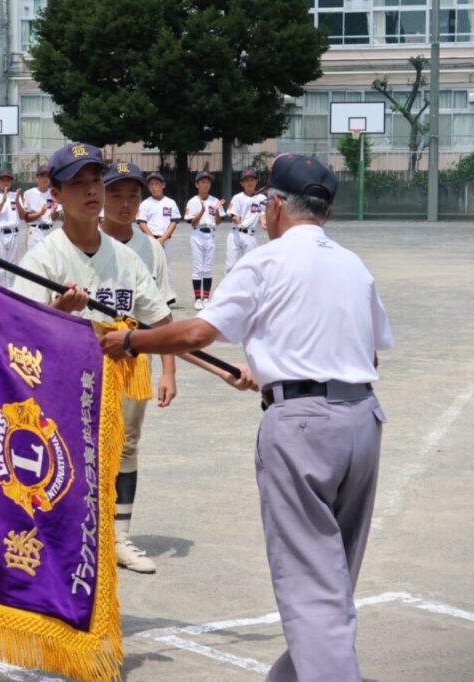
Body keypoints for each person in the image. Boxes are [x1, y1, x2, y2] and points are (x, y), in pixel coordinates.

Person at [102, 153, 392, 682]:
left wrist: (130, 340)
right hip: (362, 421)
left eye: (266, 205)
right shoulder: (354, 264)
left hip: (302, 427)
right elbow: (369, 355)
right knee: (332, 578)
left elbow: (195, 334)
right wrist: (280, 365)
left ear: (278, 205)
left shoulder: (266, 260)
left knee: (311, 585)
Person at [13, 148, 187, 575]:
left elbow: (161, 317)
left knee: (125, 450)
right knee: (70, 458)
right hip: (65, 383)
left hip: (122, 374)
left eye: (95, 181)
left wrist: (169, 367)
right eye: (77, 183)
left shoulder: (127, 257)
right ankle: (68, 538)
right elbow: (20, 332)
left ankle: (118, 535)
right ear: (55, 194)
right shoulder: (43, 258)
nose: (91, 191)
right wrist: (59, 308)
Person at [135, 172, 180, 305]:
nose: (154, 187)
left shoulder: (170, 202)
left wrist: (164, 238)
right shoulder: (145, 204)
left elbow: (174, 221)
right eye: (151, 185)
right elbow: (141, 222)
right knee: (150, 267)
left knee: (165, 267)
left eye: (157, 184)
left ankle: (167, 296)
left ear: (163, 185)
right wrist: (153, 239)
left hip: (166, 240)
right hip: (150, 240)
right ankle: (152, 296)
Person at [184, 171, 226, 310]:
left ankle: (206, 298)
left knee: (208, 268)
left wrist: (218, 211)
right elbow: (192, 223)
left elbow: (218, 222)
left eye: (208, 182)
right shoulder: (193, 201)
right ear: (197, 184)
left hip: (211, 234)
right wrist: (202, 211)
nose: (206, 184)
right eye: (202, 182)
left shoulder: (215, 201)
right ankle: (197, 299)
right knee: (198, 268)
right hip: (197, 234)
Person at [0, 169, 25, 286]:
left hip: (14, 234)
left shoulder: (15, 196)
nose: (5, 182)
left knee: (12, 267)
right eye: (3, 180)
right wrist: (2, 202)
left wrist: (17, 201)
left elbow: (22, 216)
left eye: (8, 180)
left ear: (11, 182)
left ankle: (11, 294)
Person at [226, 169, 265, 272]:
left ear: (256, 181)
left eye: (252, 179)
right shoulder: (237, 198)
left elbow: (263, 214)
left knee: (250, 266)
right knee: (231, 266)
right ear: (242, 183)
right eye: (247, 180)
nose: (250, 182)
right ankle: (229, 288)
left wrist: (265, 223)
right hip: (236, 234)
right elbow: (232, 214)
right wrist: (236, 218)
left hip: (251, 235)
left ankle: (247, 288)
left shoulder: (262, 198)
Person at [22, 163, 60, 251]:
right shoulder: (29, 193)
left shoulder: (54, 193)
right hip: (35, 232)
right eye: (42, 176)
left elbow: (53, 218)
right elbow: (26, 218)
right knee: (33, 262)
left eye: (47, 176)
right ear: (37, 178)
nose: (45, 179)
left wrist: (54, 211)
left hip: (49, 231)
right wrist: (41, 213)